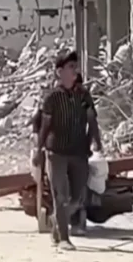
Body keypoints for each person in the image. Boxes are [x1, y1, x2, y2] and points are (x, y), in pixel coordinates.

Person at [33, 50, 102, 251]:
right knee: (60, 195)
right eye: (70, 67)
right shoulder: (52, 98)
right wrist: (38, 150)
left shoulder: (83, 95)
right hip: (57, 152)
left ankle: (57, 220)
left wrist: (96, 141)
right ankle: (64, 238)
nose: (75, 71)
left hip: (79, 152)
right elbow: (45, 126)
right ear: (59, 72)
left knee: (78, 196)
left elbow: (91, 120)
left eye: (75, 67)